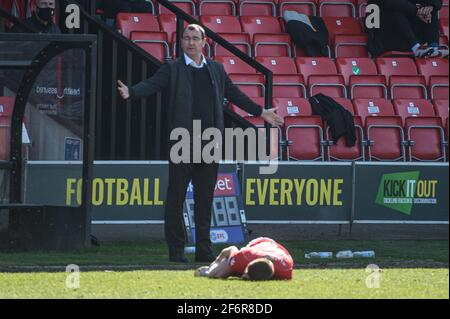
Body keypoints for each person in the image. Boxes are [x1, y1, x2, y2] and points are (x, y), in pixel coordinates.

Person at [117, 24, 284, 263]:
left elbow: (234, 93)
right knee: (175, 200)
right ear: (182, 42)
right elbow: (152, 84)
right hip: (182, 143)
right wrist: (132, 92)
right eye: (186, 38)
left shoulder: (216, 69)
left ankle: (203, 251)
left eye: (195, 38)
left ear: (204, 42)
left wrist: (260, 112)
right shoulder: (172, 68)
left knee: (205, 201)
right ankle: (176, 252)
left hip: (210, 144)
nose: (191, 43)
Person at [367, 0, 447, 58]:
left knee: (430, 8)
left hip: (402, 34)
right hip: (382, 37)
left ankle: (433, 48)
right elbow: (392, 3)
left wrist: (431, 7)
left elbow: (437, 2)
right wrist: (417, 11)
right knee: (396, 10)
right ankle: (416, 48)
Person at [194, 237, 294, 280]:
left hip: (275, 248)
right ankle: (214, 266)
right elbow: (216, 275)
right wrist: (217, 261)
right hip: (260, 243)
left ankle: (233, 268)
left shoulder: (286, 271)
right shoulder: (244, 255)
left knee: (227, 271)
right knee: (214, 273)